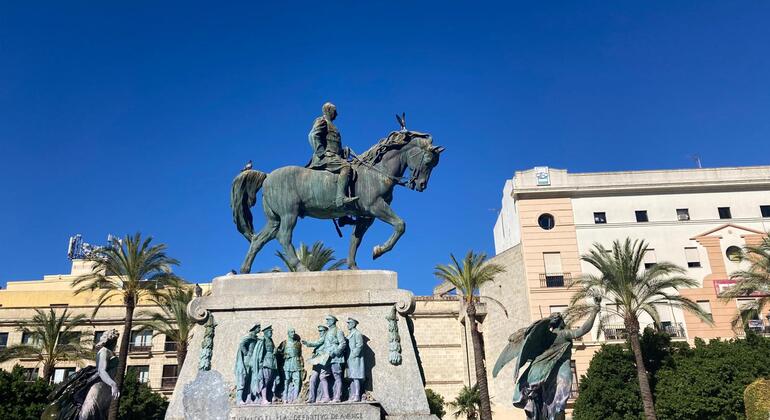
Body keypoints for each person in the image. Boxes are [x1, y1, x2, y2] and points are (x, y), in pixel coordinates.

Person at [493, 297, 602, 420]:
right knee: (559, 396)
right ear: (561, 322)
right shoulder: (564, 334)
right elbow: (583, 330)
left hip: (542, 368)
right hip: (560, 367)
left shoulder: (546, 337)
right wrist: (594, 311)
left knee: (548, 399)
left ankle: (542, 411)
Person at [41, 329, 120, 420]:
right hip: (99, 385)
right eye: (115, 340)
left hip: (105, 388)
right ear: (111, 341)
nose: (116, 343)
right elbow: (101, 371)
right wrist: (112, 384)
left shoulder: (109, 352)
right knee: (88, 414)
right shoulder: (104, 351)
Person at [307, 102, 359, 208]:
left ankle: (344, 216)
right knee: (346, 167)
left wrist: (342, 150)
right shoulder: (322, 121)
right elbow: (312, 135)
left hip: (334, 156)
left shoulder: (331, 125)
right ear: (328, 110)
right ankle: (340, 198)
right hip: (324, 157)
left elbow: (332, 143)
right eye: (335, 111)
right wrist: (321, 153)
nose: (337, 114)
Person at [234, 323, 261, 404]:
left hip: (253, 359)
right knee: (244, 377)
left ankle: (248, 397)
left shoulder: (256, 338)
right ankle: (239, 399)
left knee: (250, 379)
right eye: (258, 328)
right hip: (248, 359)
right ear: (255, 328)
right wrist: (246, 353)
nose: (259, 329)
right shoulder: (249, 336)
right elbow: (242, 344)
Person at [303, 325, 329, 403]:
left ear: (325, 331)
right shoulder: (321, 339)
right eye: (319, 331)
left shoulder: (325, 338)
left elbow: (317, 343)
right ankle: (311, 398)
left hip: (324, 361)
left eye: (322, 331)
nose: (320, 333)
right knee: (312, 379)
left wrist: (308, 343)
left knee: (322, 377)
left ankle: (326, 396)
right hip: (317, 361)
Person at [278, 328, 303, 403]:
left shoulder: (298, 343)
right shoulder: (284, 343)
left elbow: (300, 354)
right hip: (287, 364)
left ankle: (295, 398)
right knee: (286, 381)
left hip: (296, 363)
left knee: (297, 381)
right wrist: (284, 355)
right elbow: (279, 353)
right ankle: (285, 398)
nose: (293, 333)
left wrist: (301, 364)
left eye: (294, 332)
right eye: (291, 332)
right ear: (288, 333)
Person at [345, 317, 365, 402]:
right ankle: (353, 394)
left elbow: (360, 345)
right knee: (352, 377)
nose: (348, 325)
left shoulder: (357, 333)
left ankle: (357, 395)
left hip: (355, 359)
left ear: (353, 324)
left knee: (356, 377)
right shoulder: (350, 334)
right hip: (349, 358)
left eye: (349, 323)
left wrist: (354, 354)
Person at [258, 325, 277, 404]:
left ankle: (269, 397)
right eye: (270, 331)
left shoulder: (270, 340)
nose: (271, 333)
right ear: (266, 332)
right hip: (266, 362)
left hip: (272, 362)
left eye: (271, 331)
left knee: (270, 381)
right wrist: (260, 362)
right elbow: (260, 352)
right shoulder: (263, 340)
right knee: (265, 381)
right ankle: (264, 399)